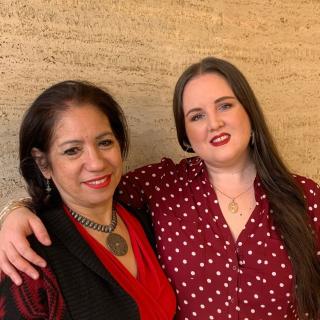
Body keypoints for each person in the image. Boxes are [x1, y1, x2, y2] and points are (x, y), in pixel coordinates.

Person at [0, 57, 320, 320]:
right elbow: (85, 194)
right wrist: (15, 211)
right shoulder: (161, 186)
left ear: (250, 112)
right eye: (196, 115)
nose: (214, 123)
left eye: (225, 106)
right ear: (185, 134)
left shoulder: (307, 198)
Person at [0, 81, 176, 319]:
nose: (96, 163)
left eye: (104, 142)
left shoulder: (145, 219)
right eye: (72, 150)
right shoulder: (27, 256)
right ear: (43, 163)